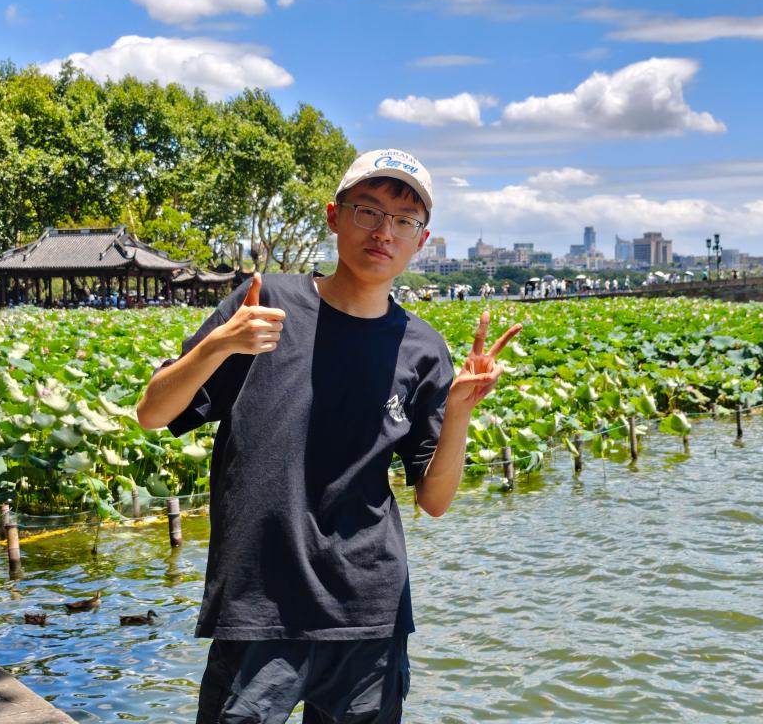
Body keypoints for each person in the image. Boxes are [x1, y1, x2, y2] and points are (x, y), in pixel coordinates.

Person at [135, 148, 521, 724]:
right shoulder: (265, 305)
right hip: (258, 602)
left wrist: (460, 411)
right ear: (335, 216)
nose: (384, 232)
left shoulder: (423, 348)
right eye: (368, 211)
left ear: (421, 239)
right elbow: (153, 412)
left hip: (369, 611)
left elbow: (435, 500)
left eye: (404, 220)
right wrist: (220, 344)